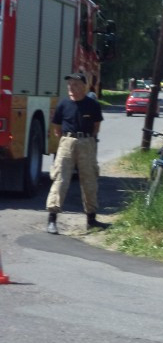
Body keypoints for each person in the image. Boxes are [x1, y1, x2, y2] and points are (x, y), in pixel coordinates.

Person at [45, 72, 110, 234]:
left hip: (87, 143)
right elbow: (57, 128)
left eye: (75, 85)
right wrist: (68, 140)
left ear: (83, 86)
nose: (71, 88)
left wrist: (87, 140)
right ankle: (52, 220)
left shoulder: (92, 105)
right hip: (67, 143)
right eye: (69, 85)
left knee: (89, 179)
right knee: (61, 179)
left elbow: (96, 126)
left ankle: (91, 219)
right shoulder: (63, 104)